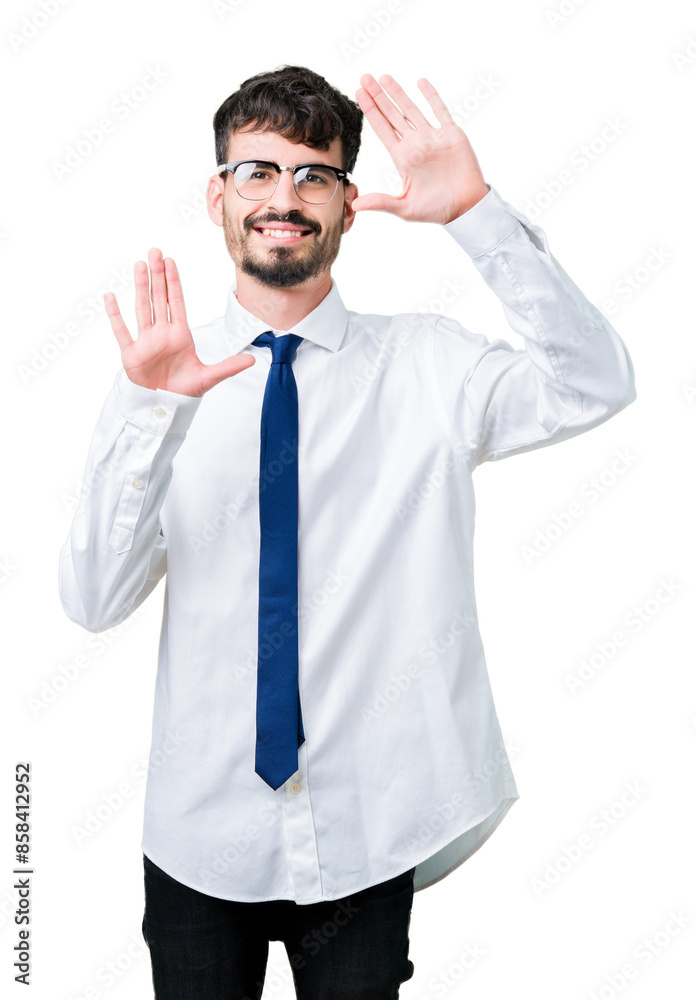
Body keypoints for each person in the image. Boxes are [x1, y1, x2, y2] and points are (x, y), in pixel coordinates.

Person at [58, 65, 636, 999]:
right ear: (219, 194)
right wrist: (152, 411)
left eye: (313, 175)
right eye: (257, 171)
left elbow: (596, 382)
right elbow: (90, 603)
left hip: (373, 830)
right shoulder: (159, 376)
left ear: (347, 206)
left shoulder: (431, 366)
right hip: (201, 836)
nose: (282, 198)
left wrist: (476, 216)